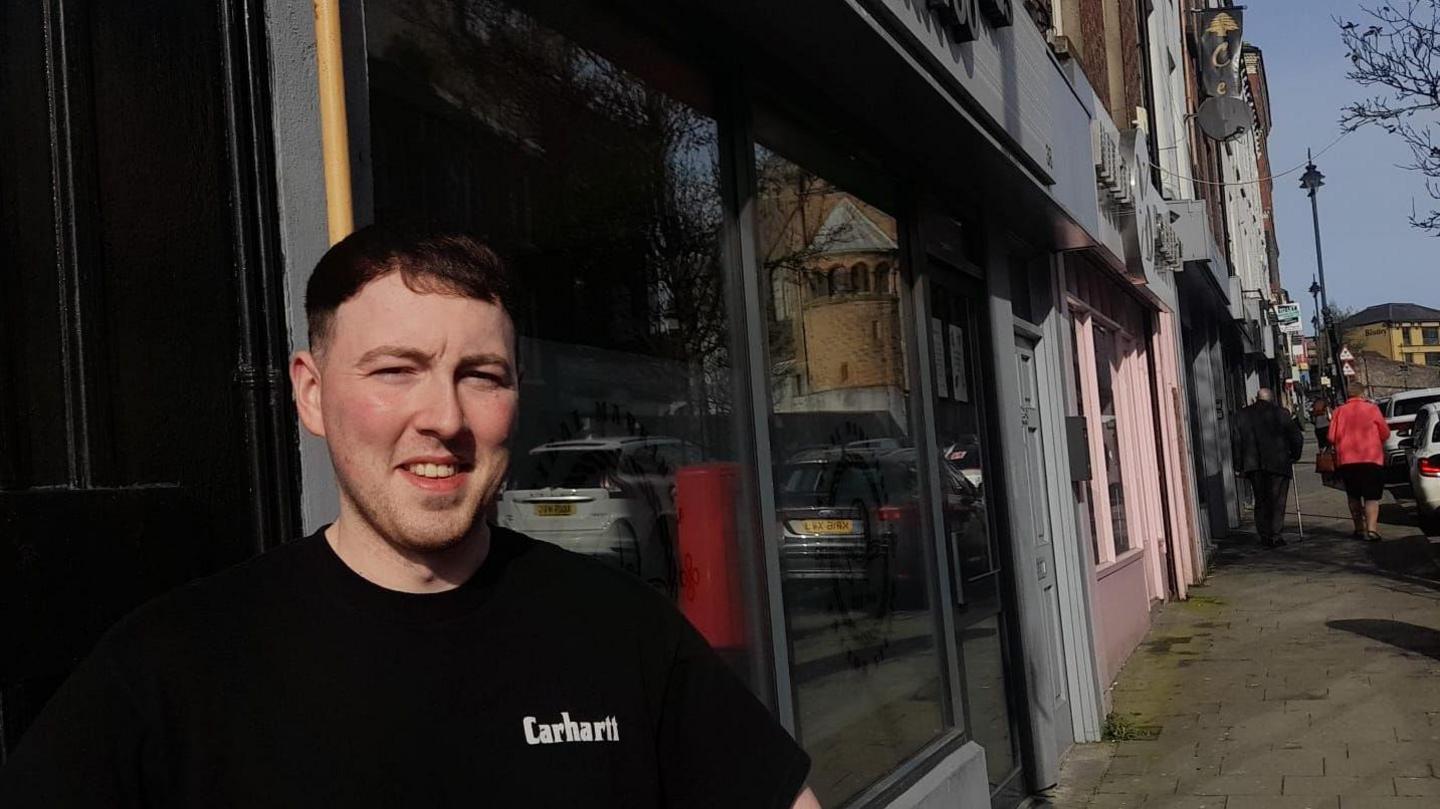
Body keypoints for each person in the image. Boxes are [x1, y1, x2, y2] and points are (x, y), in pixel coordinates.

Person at [0, 226, 820, 809]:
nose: (445, 417)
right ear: (311, 392)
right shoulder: (169, 666)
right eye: (397, 370)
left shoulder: (626, 636)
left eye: (481, 374)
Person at [1232, 388, 1305, 547]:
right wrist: (1294, 455)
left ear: (1256, 398)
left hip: (1253, 464)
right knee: (1278, 499)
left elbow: (1237, 442)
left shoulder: (1242, 415)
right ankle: (1276, 534)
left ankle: (1264, 535)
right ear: (1272, 399)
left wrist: (1238, 466)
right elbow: (1296, 436)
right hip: (1278, 462)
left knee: (1260, 499)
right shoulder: (1281, 413)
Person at [1327, 381, 1391, 542]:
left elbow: (1330, 437)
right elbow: (1385, 433)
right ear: (1362, 394)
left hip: (1347, 461)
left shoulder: (1339, 412)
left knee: (1353, 495)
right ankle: (1371, 530)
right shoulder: (1372, 409)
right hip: (1371, 458)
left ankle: (1358, 528)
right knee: (1371, 497)